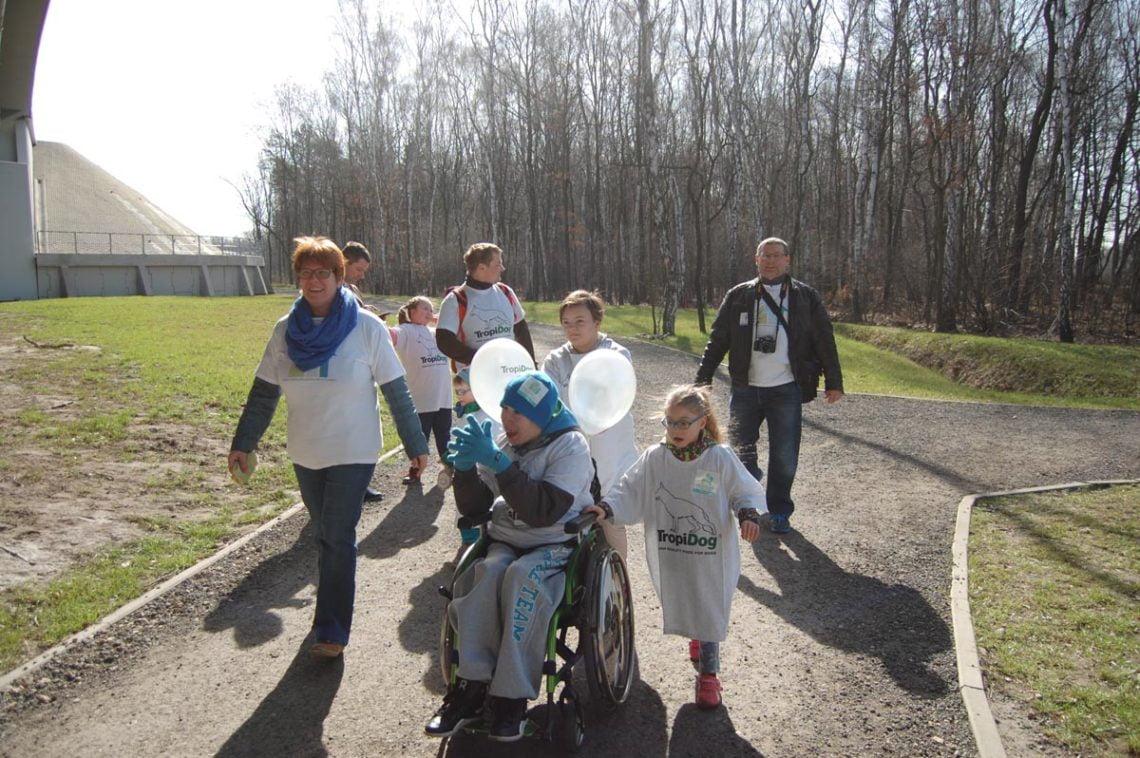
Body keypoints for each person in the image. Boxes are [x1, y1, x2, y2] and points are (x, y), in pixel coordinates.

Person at [228, 236, 429, 659]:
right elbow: (264, 393)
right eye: (306, 273)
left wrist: (415, 443)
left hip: (354, 450)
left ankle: (331, 629)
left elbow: (396, 391)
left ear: (340, 277)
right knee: (325, 535)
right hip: (306, 451)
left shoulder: (367, 327)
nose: (314, 280)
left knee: (337, 536)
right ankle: (329, 616)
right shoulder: (285, 330)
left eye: (323, 272)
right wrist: (243, 443)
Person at [425, 372, 595, 742]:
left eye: (519, 412)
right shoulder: (503, 441)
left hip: (553, 544)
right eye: (504, 408)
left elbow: (544, 511)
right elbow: (474, 508)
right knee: (487, 573)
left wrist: (503, 467)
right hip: (505, 540)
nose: (507, 418)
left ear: (544, 415)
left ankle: (511, 697)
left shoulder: (570, 446)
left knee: (521, 578)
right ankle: (470, 687)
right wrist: (466, 470)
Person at [585, 384, 763, 709]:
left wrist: (748, 514)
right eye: (670, 421)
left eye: (684, 422)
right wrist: (607, 508)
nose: (676, 429)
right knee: (687, 594)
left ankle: (709, 676)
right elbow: (630, 487)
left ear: (702, 421)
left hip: (710, 553)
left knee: (708, 603)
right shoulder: (656, 458)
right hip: (675, 550)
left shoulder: (718, 458)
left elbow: (742, 490)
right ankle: (696, 633)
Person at [694, 237, 843, 534]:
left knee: (785, 455)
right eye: (766, 255)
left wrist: (834, 381)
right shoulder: (739, 295)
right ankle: (748, 502)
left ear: (788, 260)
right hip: (746, 387)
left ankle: (779, 510)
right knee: (740, 449)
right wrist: (703, 379)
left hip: (786, 388)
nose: (771, 261)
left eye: (777, 255)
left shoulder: (805, 297)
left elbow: (823, 339)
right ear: (756, 259)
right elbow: (718, 339)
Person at [541, 289, 638, 558]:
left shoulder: (616, 355)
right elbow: (547, 403)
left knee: (609, 518)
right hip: (570, 448)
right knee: (570, 517)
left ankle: (619, 583)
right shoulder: (555, 360)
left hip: (608, 450)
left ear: (597, 321)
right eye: (566, 323)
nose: (572, 328)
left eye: (580, 321)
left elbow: (616, 400)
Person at [435, 242, 534, 369]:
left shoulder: (506, 291)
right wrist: (480, 358)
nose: (502, 268)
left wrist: (531, 365)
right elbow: (445, 342)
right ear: (482, 268)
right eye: (498, 264)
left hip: (510, 371)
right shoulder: (456, 299)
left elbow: (521, 331)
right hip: (475, 378)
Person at [341, 241, 389, 502]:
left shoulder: (353, 289)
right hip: (346, 365)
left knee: (365, 427)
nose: (361, 275)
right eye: (358, 269)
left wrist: (369, 314)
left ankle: (360, 483)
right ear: (344, 262)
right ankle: (347, 487)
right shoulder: (331, 289)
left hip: (364, 360)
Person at [389, 296, 453, 487]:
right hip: (422, 398)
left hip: (443, 396)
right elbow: (389, 336)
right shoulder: (406, 331)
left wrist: (440, 320)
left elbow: (455, 328)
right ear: (411, 312)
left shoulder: (435, 333)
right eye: (424, 308)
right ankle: (415, 471)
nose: (429, 312)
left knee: (445, 436)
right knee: (420, 437)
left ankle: (450, 468)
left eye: (430, 309)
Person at [450, 368, 503, 545]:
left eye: (464, 391)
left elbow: (494, 440)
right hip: (465, 467)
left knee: (480, 507)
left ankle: (478, 544)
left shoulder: (488, 415)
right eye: (457, 392)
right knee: (463, 505)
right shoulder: (464, 412)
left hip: (483, 471)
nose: (460, 396)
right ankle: (467, 546)